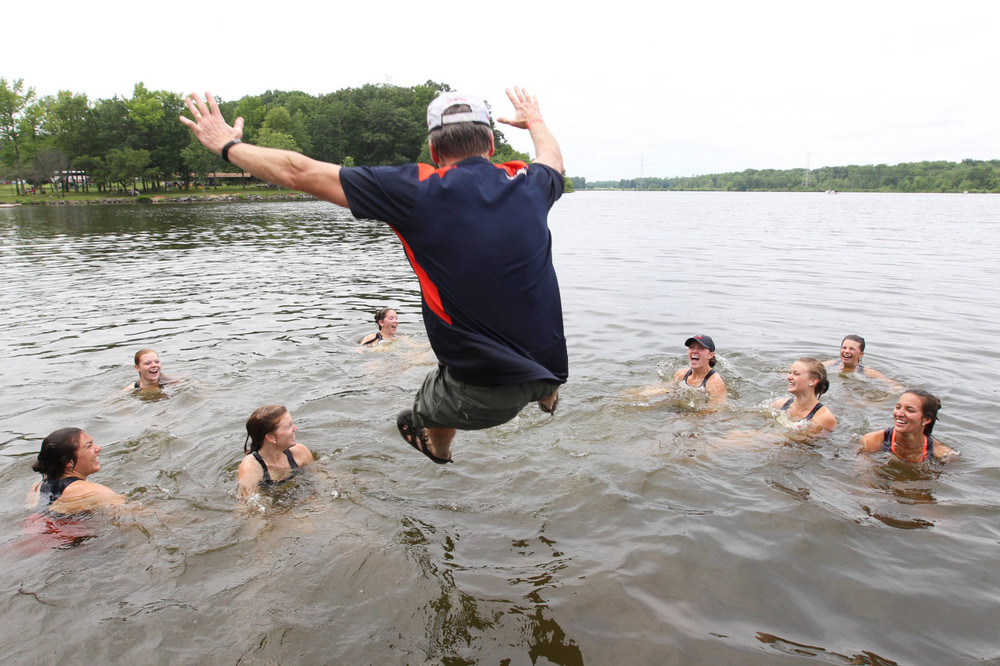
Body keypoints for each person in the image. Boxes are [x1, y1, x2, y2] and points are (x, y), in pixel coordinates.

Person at [181, 87, 566, 465]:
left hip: (480, 391)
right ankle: (547, 396)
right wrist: (534, 120)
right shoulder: (529, 182)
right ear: (491, 145)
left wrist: (227, 146)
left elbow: (299, 171)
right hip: (553, 370)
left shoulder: (416, 189)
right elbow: (552, 159)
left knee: (424, 408)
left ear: (434, 151)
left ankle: (439, 453)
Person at [25, 428, 125, 514]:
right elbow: (128, 514)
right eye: (89, 446)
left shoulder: (36, 487)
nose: (98, 448)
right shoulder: (94, 492)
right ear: (68, 462)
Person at [860, 390, 957, 462]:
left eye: (910, 410)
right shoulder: (872, 441)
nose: (899, 413)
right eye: (898, 407)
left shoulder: (941, 454)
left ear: (926, 419)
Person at [237, 405, 314, 497]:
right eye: (288, 426)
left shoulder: (301, 452)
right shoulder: (250, 468)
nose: (295, 428)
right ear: (271, 437)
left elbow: (319, 481)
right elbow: (246, 503)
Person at [630, 334, 727, 404]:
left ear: (710, 355)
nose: (694, 351)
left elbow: (713, 411)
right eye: (691, 347)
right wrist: (636, 394)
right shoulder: (681, 374)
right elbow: (666, 388)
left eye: (701, 348)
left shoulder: (715, 383)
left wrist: (685, 418)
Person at [772, 357, 837, 433]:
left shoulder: (824, 418)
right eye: (790, 373)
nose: (789, 377)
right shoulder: (779, 405)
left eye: (796, 374)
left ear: (813, 381)